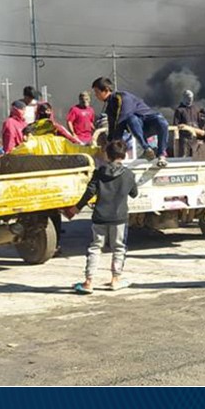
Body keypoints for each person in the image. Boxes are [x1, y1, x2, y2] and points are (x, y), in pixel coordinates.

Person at [67, 140, 139, 294]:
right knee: (119, 248)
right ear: (124, 154)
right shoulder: (129, 174)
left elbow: (89, 192)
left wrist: (76, 208)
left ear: (107, 154)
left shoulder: (99, 172)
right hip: (119, 217)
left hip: (100, 216)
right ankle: (115, 280)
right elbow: (134, 194)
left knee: (95, 247)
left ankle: (89, 282)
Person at [91, 77, 169, 167]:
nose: (96, 95)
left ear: (106, 90)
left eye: (97, 92)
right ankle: (147, 149)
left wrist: (115, 143)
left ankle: (161, 155)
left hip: (149, 121)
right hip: (137, 128)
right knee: (132, 119)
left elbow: (122, 119)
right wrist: (110, 144)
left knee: (162, 122)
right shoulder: (109, 107)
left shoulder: (121, 97)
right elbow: (112, 126)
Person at [173, 89, 204, 157]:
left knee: (196, 156)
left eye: (191, 98)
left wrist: (201, 136)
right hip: (184, 138)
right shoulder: (179, 110)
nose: (190, 99)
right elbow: (176, 126)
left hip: (195, 137)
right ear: (184, 97)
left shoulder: (196, 109)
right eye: (188, 98)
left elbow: (200, 123)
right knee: (184, 156)